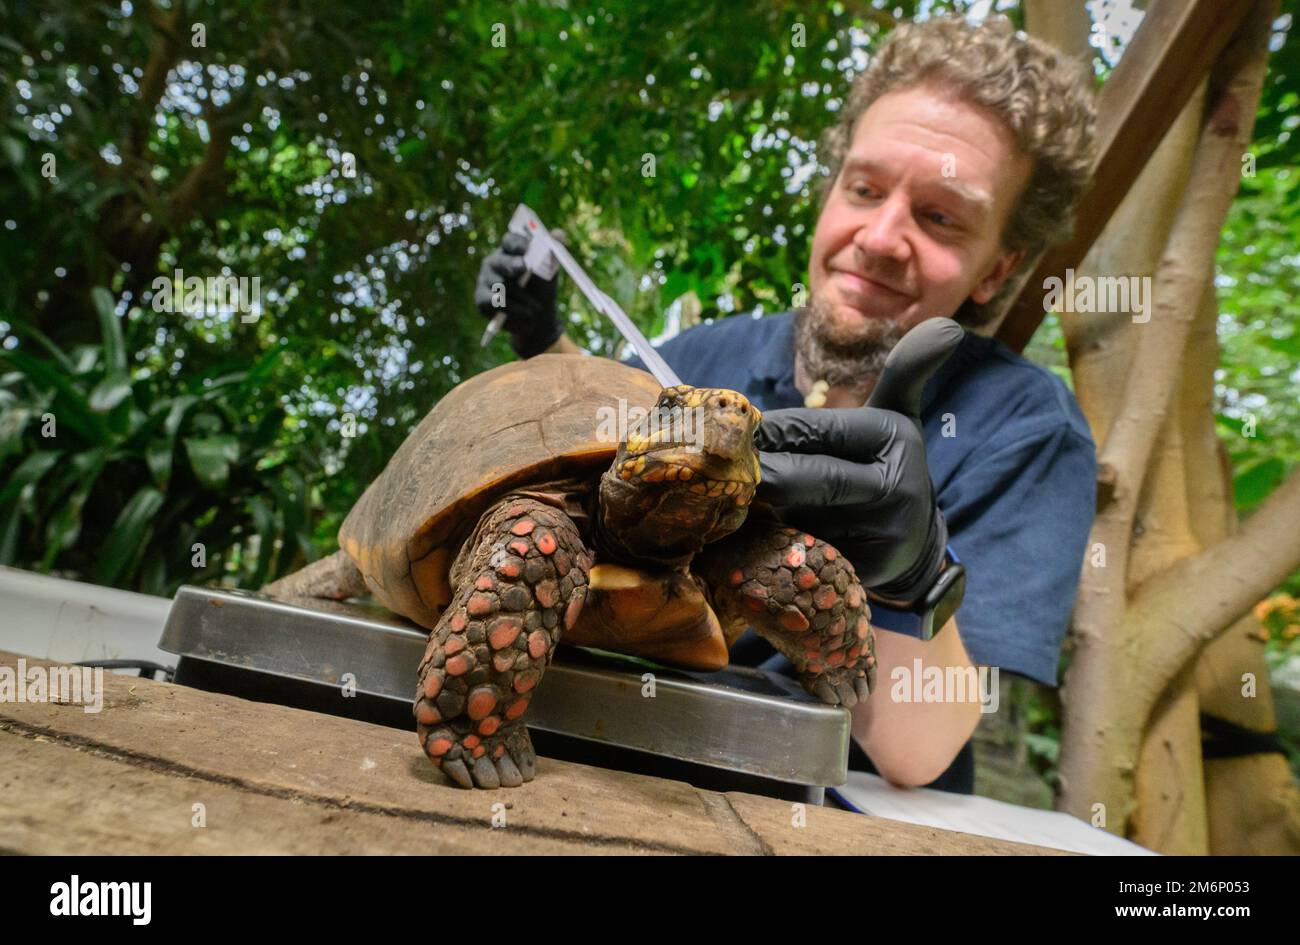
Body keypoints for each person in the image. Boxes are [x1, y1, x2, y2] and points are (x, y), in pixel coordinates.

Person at [473, 15, 1098, 794]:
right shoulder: (704, 360)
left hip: (839, 811)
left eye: (940, 216)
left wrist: (915, 571)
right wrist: (548, 348)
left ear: (997, 267)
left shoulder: (1027, 427)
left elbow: (916, 749)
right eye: (864, 188)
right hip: (591, 764)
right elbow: (589, 480)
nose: (879, 236)